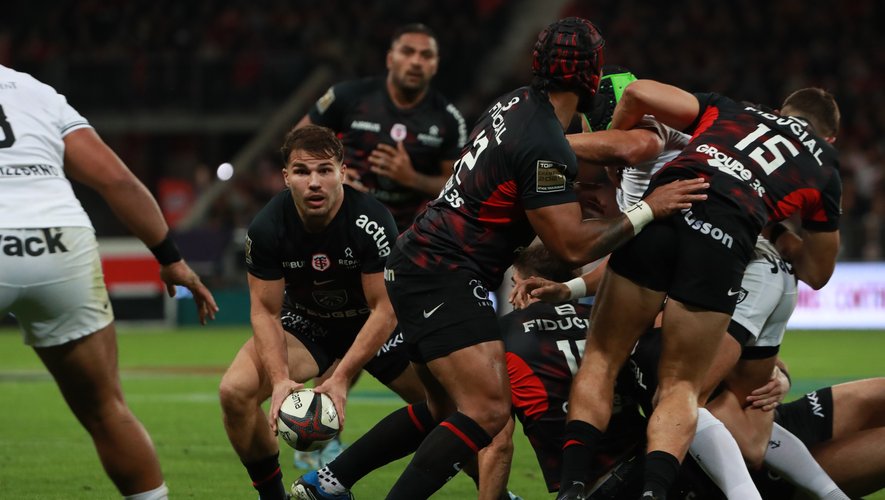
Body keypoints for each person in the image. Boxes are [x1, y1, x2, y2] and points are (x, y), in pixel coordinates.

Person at [291, 17, 708, 500]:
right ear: (592, 77)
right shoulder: (545, 145)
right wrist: (647, 210)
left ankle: (329, 481)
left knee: (441, 412)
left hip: (420, 261)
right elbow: (569, 246)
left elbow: (574, 161)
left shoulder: (515, 104)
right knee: (489, 411)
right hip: (445, 272)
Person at [557, 81, 842, 500]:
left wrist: (617, 163)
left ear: (781, 110)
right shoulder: (824, 166)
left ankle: (571, 489)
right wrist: (772, 222)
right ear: (829, 136)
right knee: (681, 388)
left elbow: (636, 93)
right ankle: (655, 494)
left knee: (601, 358)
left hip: (666, 206)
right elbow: (817, 271)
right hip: (726, 238)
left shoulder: (735, 109)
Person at [0, 64, 218, 499]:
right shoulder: (33, 89)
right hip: (59, 241)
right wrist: (170, 259)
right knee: (105, 409)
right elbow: (116, 179)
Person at [217, 125, 425, 500]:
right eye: (302, 171)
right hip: (307, 325)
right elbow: (265, 312)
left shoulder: (371, 221)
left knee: (454, 408)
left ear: (342, 172)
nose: (314, 182)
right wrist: (280, 379)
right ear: (286, 178)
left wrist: (342, 377)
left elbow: (384, 310)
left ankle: (493, 492)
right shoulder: (266, 227)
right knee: (234, 391)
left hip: (372, 325)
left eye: (324, 170)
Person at [297, 23, 467, 232]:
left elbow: (458, 188)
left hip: (403, 236)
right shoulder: (349, 96)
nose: (416, 62)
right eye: (407, 52)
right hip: (339, 224)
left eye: (426, 55)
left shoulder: (449, 119)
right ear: (390, 59)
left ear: (435, 65)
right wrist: (331, 175)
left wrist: (413, 178)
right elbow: (296, 143)